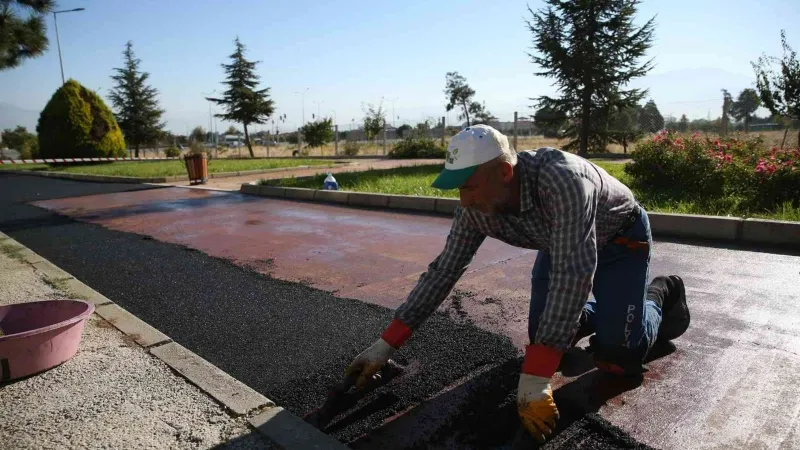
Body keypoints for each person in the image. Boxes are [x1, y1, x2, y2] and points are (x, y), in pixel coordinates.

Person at [345, 125, 690, 442]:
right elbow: (443, 271)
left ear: (505, 172)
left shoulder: (562, 181)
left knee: (617, 357)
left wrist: (537, 378)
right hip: (562, 242)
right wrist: (386, 344)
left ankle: (659, 293)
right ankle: (596, 312)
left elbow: (573, 274)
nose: (463, 201)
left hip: (619, 239)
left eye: (469, 186)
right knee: (544, 337)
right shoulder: (475, 207)